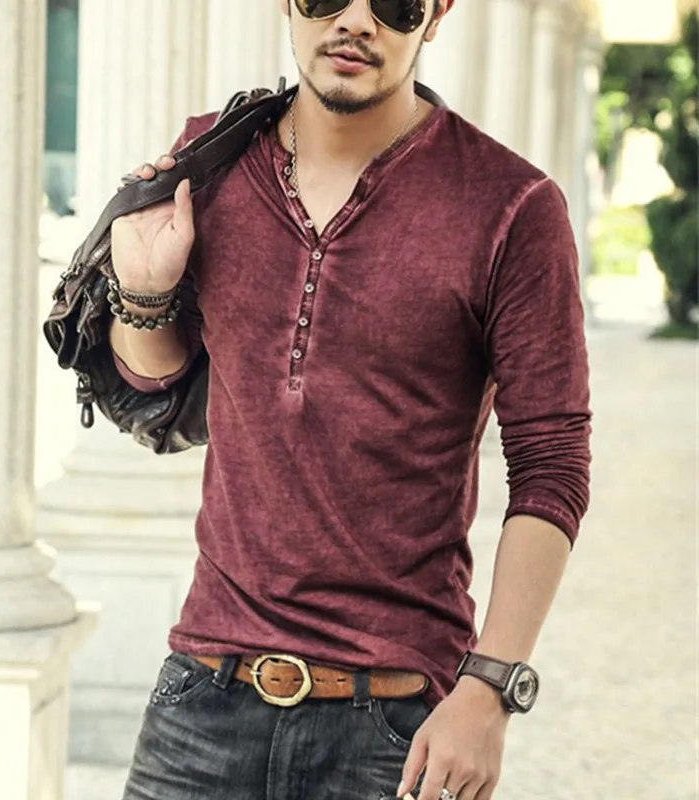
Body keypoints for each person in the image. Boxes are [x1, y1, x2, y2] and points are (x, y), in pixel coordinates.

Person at [105, 1, 591, 798]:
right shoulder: (212, 160)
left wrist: (490, 690)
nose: (357, 20)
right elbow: (153, 386)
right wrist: (144, 293)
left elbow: (553, 465)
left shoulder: (511, 206)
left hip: (392, 724)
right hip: (202, 693)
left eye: (393, 3)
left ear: (435, 14)